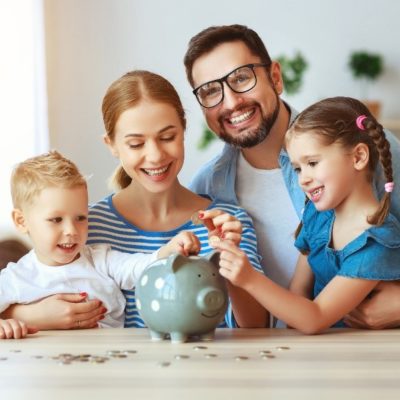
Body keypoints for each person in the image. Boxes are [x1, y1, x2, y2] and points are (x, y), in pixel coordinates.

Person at [4, 71, 267, 329]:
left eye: (167, 137)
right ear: (111, 144)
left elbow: (257, 327)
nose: (154, 156)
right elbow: (35, 280)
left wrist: (230, 256)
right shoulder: (84, 227)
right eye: (136, 144)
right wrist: (30, 317)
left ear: (183, 130)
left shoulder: (229, 223)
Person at [183, 24, 400, 329]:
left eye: (242, 78)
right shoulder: (206, 189)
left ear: (275, 76)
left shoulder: (367, 147)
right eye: (210, 91)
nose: (231, 103)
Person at [211, 96, 400, 334]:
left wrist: (249, 279)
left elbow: (315, 317)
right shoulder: (318, 215)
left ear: (358, 157)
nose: (303, 179)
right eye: (298, 168)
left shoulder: (378, 241)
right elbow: (298, 290)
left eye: (312, 163)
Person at [1, 150, 203, 329]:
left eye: (81, 217)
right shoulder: (16, 278)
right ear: (21, 221)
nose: (71, 230)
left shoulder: (100, 259)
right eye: (56, 220)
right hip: (44, 364)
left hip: (106, 359)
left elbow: (139, 267)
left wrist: (168, 251)